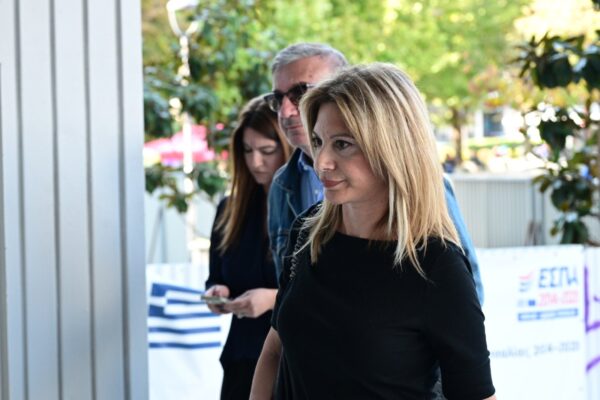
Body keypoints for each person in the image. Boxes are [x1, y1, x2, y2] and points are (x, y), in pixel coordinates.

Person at [251, 63, 496, 400]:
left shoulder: (435, 265)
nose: (322, 162)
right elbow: (275, 351)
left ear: (392, 148)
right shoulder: (307, 233)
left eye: (343, 144)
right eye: (319, 141)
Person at [264, 43, 485, 304]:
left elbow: (464, 291)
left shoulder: (415, 185)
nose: (286, 111)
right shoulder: (282, 185)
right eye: (278, 98)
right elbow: (288, 294)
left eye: (300, 93)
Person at [204, 95, 291, 400]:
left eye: (267, 151)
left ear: (287, 148)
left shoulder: (305, 209)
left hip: (289, 362)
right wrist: (217, 293)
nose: (255, 162)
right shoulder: (230, 210)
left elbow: (326, 293)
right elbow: (216, 277)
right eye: (247, 150)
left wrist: (272, 299)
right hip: (240, 361)